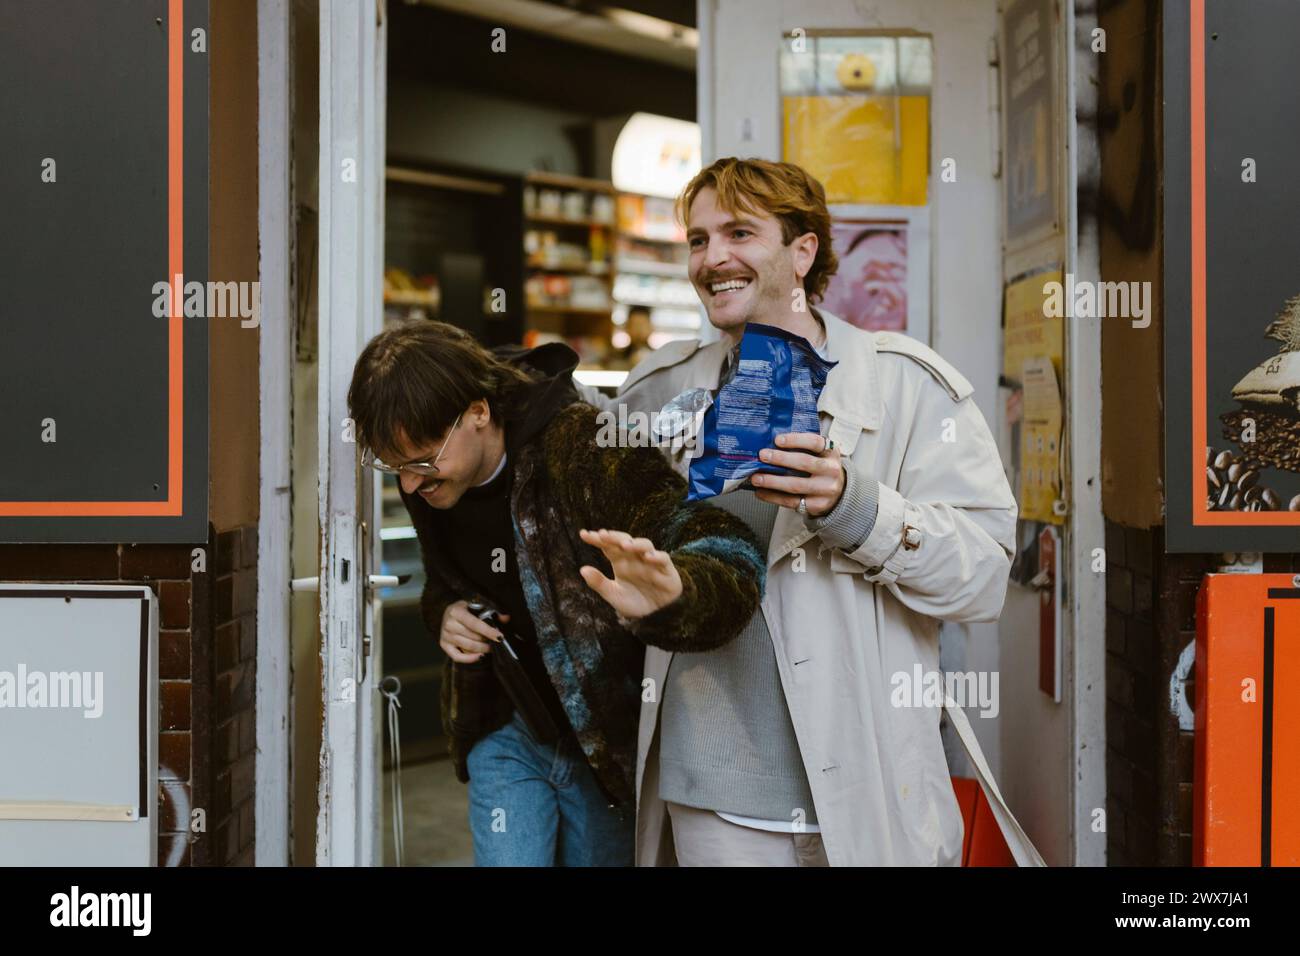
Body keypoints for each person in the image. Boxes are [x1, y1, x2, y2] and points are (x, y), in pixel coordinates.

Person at [577, 157, 1040, 866]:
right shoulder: (655, 392)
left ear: (804, 250)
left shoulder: (908, 385)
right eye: (698, 240)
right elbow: (579, 547)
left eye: (739, 232)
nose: (713, 258)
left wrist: (854, 508)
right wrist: (464, 604)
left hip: (871, 778)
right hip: (714, 792)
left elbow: (980, 580)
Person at [346, 320, 764, 867]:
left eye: (422, 461)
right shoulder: (433, 477)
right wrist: (443, 612)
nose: (409, 486)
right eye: (394, 467)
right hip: (501, 726)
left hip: (601, 745)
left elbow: (725, 542)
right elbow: (447, 583)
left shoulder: (578, 443)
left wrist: (678, 591)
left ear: (477, 412)